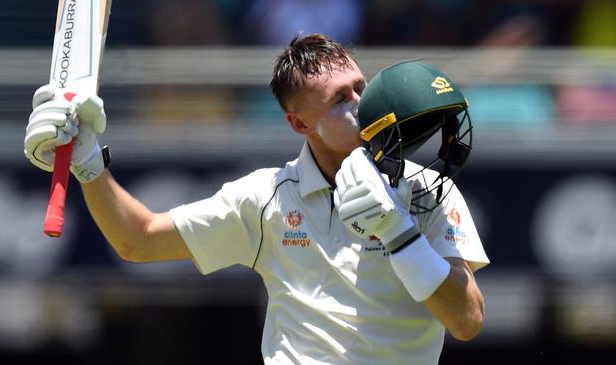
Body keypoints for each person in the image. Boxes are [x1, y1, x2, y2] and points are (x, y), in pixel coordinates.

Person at [24, 33, 489, 365]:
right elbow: (139, 240)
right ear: (299, 124)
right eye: (337, 101)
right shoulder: (266, 198)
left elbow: (467, 322)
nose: (358, 105)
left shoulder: (427, 188)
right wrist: (88, 164)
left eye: (359, 89)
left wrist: (397, 232)